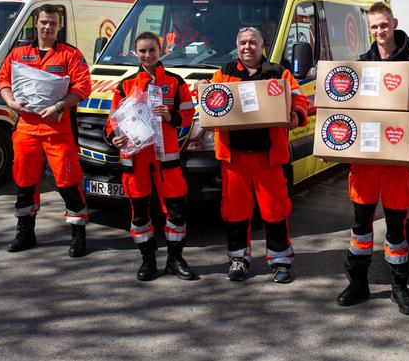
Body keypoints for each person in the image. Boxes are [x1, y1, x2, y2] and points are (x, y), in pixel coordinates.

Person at [336, 2, 409, 315]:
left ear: (393, 22)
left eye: (384, 25)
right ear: (369, 30)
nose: (380, 31)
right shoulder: (360, 65)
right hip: (364, 162)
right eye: (374, 27)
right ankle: (358, 282)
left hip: (396, 162)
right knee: (361, 227)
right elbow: (345, 106)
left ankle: (399, 287)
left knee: (396, 228)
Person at [201, 27, 308, 283]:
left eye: (252, 43)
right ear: (237, 46)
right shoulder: (224, 73)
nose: (247, 47)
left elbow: (301, 100)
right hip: (234, 157)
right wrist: (204, 88)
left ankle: (280, 260)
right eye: (242, 43)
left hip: (268, 156)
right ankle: (238, 258)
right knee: (235, 210)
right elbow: (210, 100)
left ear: (263, 47)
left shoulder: (278, 72)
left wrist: (296, 115)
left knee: (275, 210)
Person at [0, 4, 91, 257]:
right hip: (26, 129)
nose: (47, 27)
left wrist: (60, 105)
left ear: (59, 26)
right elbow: (3, 80)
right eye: (43, 22)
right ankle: (25, 233)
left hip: (58, 131)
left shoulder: (70, 55)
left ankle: (78, 235)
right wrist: (10, 102)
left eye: (52, 23)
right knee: (24, 182)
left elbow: (83, 87)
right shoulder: (18, 53)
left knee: (68, 183)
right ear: (35, 24)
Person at [105, 31, 196, 281]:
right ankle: (147, 260)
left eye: (152, 50)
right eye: (142, 51)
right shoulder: (125, 84)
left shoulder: (176, 82)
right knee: (140, 214)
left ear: (161, 51)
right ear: (136, 53)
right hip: (135, 161)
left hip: (167, 159)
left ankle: (175, 260)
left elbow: (188, 116)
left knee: (176, 212)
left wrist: (170, 116)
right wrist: (114, 137)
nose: (147, 55)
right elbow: (112, 120)